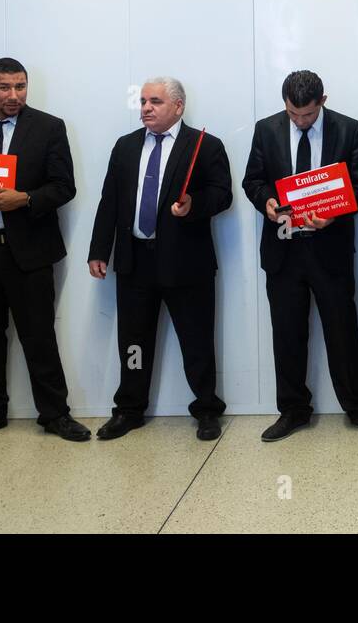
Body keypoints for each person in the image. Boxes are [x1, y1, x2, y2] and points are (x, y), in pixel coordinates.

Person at [0, 58, 89, 443]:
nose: (13, 96)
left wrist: (24, 198)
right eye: (4, 87)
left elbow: (63, 187)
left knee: (38, 336)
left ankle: (55, 414)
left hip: (28, 253)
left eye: (20, 87)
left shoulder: (49, 127)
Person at [241, 70, 358, 442]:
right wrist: (267, 203)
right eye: (293, 114)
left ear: (322, 101)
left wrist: (335, 214)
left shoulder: (348, 129)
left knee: (343, 332)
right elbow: (252, 181)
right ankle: (292, 411)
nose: (300, 121)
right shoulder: (266, 129)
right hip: (283, 248)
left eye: (307, 115)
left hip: (330, 247)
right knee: (287, 335)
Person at [89, 77, 231, 442]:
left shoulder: (205, 145)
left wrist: (193, 204)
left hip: (186, 262)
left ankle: (206, 409)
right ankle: (130, 409)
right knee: (134, 342)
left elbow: (222, 194)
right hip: (135, 260)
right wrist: (99, 250)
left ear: (178, 107)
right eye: (143, 101)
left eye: (155, 101)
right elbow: (109, 201)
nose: (146, 108)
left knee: (196, 340)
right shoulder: (125, 147)